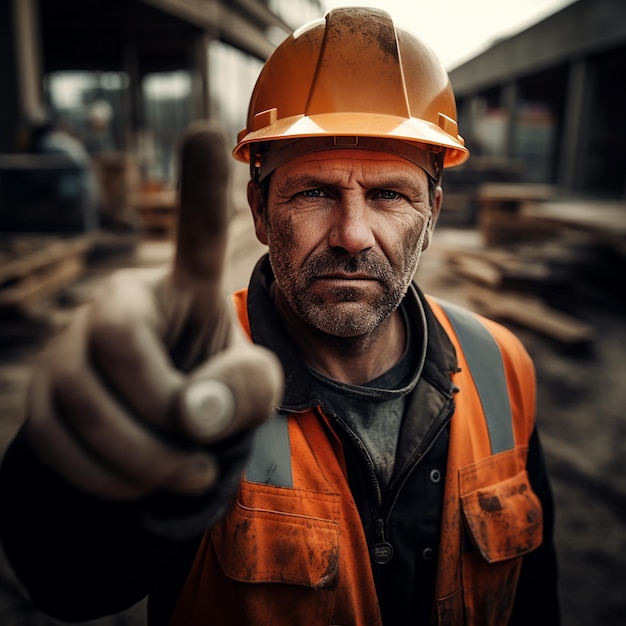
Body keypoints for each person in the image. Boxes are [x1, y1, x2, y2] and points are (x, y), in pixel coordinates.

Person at [0, 7, 560, 625]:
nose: (352, 235)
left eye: (389, 195)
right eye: (315, 191)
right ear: (261, 213)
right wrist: (86, 452)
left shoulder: (500, 365)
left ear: (431, 216)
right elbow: (67, 582)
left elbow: (535, 601)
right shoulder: (192, 370)